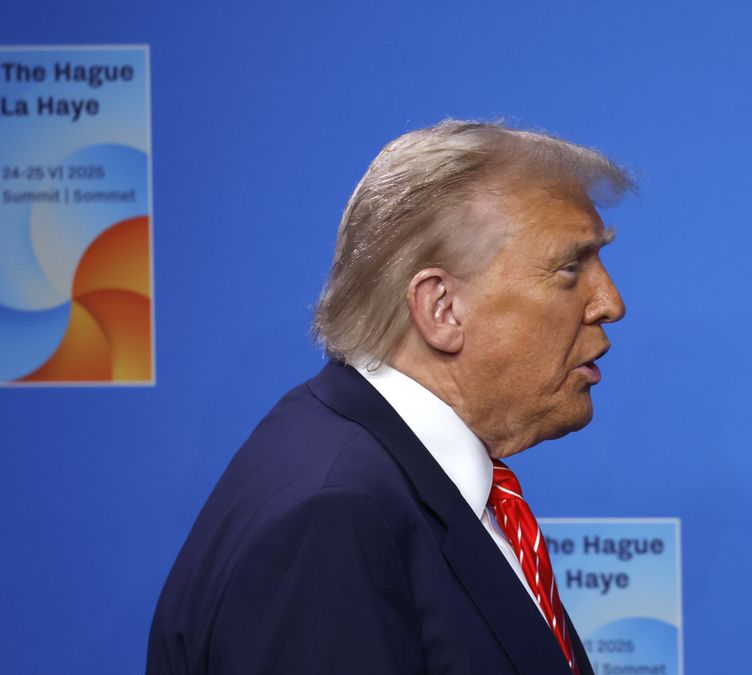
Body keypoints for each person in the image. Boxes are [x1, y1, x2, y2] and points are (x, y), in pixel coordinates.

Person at [147, 120, 632, 674]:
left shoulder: (388, 473)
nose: (609, 302)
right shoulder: (330, 519)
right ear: (441, 307)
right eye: (571, 268)